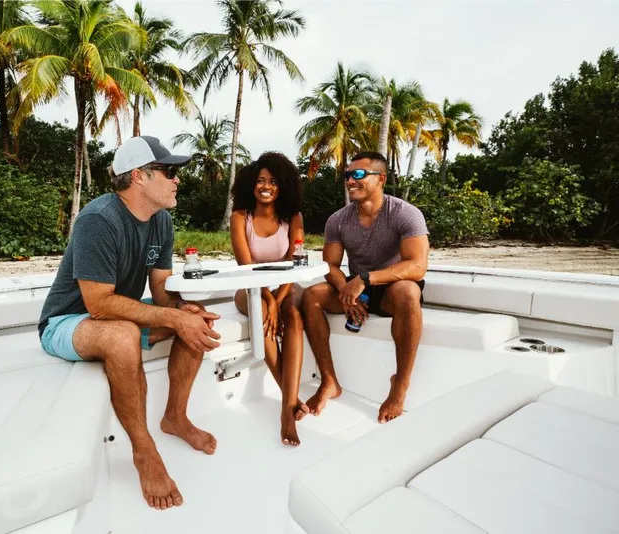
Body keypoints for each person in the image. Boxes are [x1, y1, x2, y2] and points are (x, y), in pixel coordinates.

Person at [38, 136, 222, 511]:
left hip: (116, 314)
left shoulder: (162, 220)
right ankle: (144, 451)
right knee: (123, 334)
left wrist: (180, 311)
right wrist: (168, 315)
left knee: (191, 316)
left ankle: (175, 418)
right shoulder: (98, 219)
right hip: (67, 321)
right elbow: (98, 303)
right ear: (139, 176)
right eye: (169, 172)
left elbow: (160, 289)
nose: (177, 180)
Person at [301, 151, 429, 424]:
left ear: (380, 178)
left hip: (392, 287)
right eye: (348, 175)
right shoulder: (338, 220)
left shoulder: (406, 214)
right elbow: (331, 266)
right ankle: (329, 381)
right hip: (357, 286)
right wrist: (346, 289)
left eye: (358, 174)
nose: (350, 180)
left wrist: (366, 279)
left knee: (409, 292)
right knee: (311, 295)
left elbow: (417, 266)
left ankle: (400, 386)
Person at [229, 152, 308, 446]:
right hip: (251, 286)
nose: (266, 186)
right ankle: (290, 406)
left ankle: (286, 408)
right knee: (260, 310)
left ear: (282, 185)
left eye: (273, 181)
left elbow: (294, 261)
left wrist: (279, 298)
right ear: (251, 184)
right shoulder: (240, 217)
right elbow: (246, 267)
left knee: (294, 316)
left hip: (286, 284)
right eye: (260, 181)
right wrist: (269, 300)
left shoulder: (293, 217)